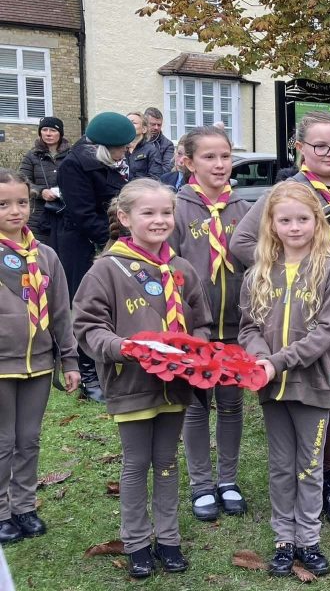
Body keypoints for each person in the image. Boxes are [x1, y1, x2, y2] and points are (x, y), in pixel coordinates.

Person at [232, 111, 330, 528]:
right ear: (300, 148)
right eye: (321, 145)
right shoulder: (287, 193)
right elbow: (242, 241)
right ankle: (297, 479)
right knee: (295, 396)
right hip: (299, 315)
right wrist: (287, 272)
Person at [73, 178, 213, 578]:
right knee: (137, 463)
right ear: (124, 217)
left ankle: (168, 538)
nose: (159, 220)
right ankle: (136, 542)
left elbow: (201, 323)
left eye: (166, 212)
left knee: (167, 461)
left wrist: (193, 349)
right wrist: (125, 348)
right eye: (148, 213)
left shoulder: (182, 269)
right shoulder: (106, 270)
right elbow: (88, 326)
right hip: (132, 384)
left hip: (176, 384)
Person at [237, 181, 330, 578]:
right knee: (281, 466)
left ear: (316, 222)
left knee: (309, 466)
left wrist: (277, 362)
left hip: (313, 387)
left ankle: (310, 539)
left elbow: (326, 332)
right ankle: (284, 539)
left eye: (303, 219)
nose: (295, 227)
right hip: (271, 388)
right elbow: (248, 326)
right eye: (285, 220)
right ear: (272, 223)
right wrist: (261, 360)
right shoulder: (258, 274)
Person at [167, 126, 252, 522]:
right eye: (209, 157)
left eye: (225, 156)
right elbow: (168, 270)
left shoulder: (244, 209)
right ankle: (201, 483)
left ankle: (228, 479)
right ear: (188, 161)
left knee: (232, 406)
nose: (220, 165)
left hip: (237, 325)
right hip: (195, 329)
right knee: (198, 407)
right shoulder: (177, 209)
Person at [0, 170, 79, 545]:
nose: (15, 211)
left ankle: (24, 505)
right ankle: (1, 510)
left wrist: (69, 360)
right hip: (2, 366)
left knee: (29, 439)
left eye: (21, 202)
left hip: (39, 364)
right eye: (3, 204)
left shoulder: (45, 255)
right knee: (3, 442)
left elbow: (61, 311)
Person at [55, 112, 136, 403]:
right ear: (105, 146)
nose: (127, 151)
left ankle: (108, 366)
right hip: (84, 243)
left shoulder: (118, 163)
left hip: (118, 239)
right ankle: (87, 373)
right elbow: (83, 212)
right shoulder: (75, 166)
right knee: (86, 305)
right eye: (122, 147)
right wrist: (111, 242)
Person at [18, 116, 70, 246]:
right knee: (40, 253)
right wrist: (41, 192)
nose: (48, 133)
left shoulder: (71, 155)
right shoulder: (32, 156)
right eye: (45, 129)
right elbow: (23, 181)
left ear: (60, 133)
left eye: (52, 130)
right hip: (40, 216)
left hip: (66, 212)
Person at [125, 111, 160, 181]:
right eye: (126, 123)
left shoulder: (151, 150)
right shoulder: (119, 149)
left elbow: (155, 178)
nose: (128, 125)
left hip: (141, 189)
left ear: (144, 129)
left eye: (133, 123)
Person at [144, 107, 175, 177]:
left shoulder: (167, 145)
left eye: (159, 125)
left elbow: (167, 169)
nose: (156, 128)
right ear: (145, 123)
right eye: (153, 124)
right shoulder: (136, 140)